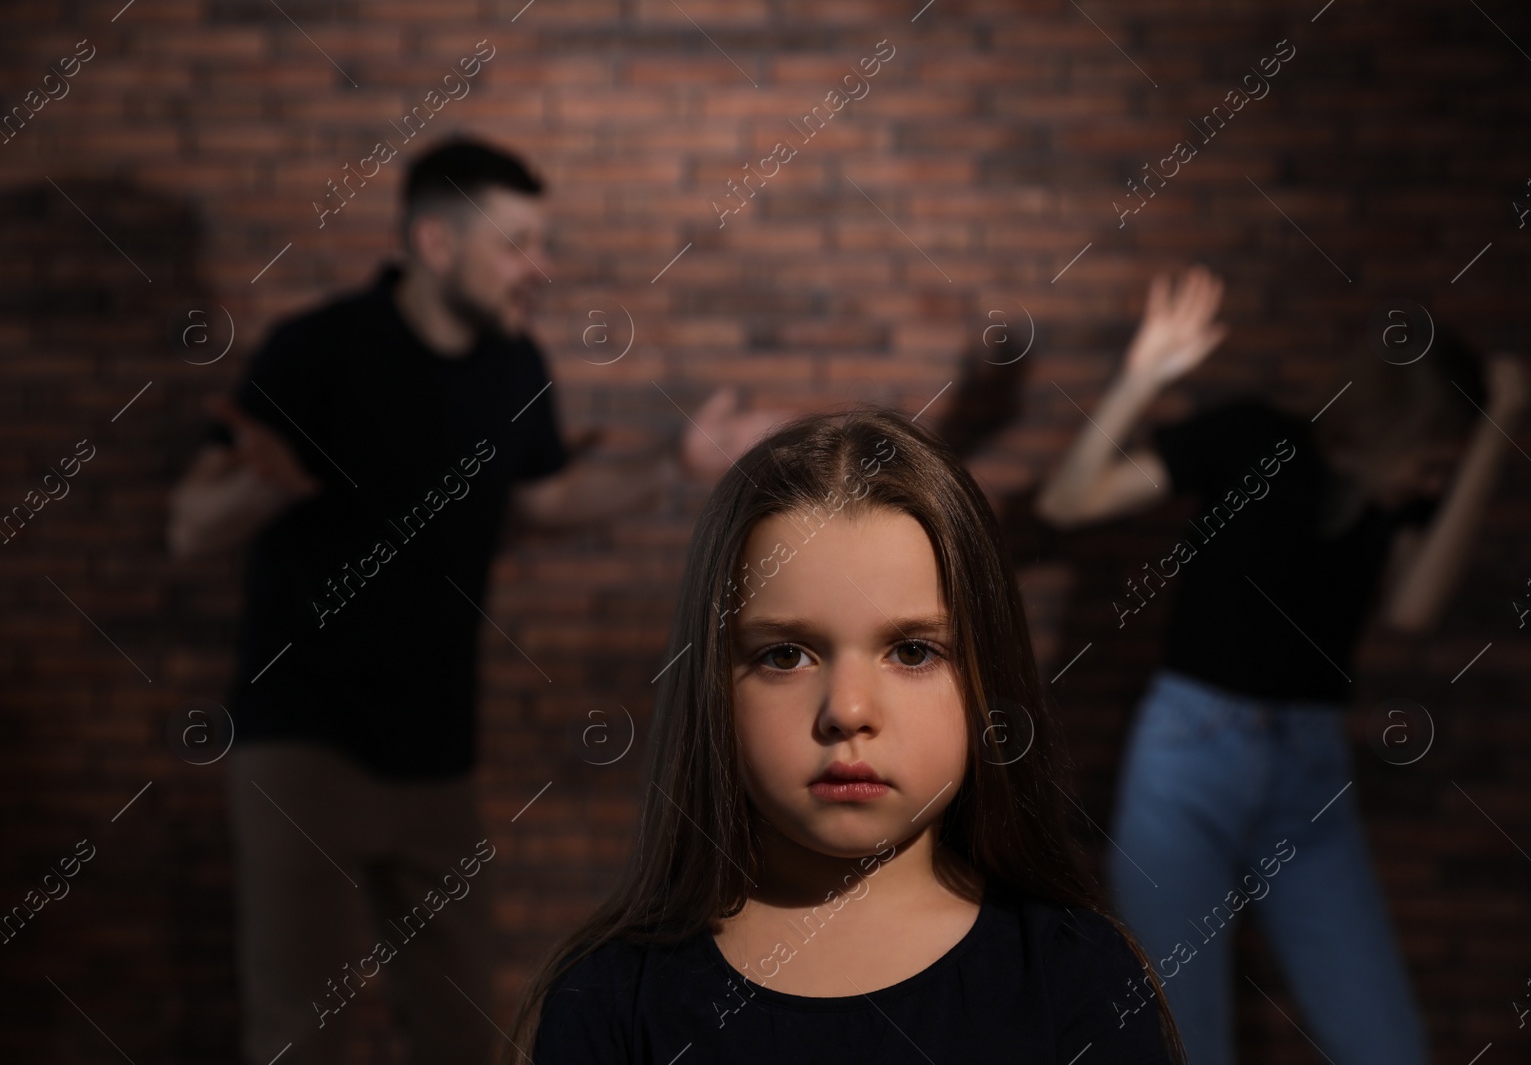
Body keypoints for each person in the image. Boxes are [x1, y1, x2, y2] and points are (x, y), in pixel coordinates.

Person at [165, 137, 784, 1065]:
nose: (539, 266)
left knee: (465, 1032)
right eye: (517, 243)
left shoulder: (514, 366)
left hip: (437, 757)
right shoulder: (317, 350)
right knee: (299, 1031)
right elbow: (189, 526)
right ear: (437, 243)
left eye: (544, 242)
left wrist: (675, 468)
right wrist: (262, 485)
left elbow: (534, 505)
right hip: (301, 747)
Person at [512, 408, 1186, 1064]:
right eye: (784, 654)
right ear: (713, 686)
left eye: (914, 651)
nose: (848, 709)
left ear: (989, 676)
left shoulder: (1078, 978)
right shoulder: (609, 1001)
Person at [1033, 265, 1531, 1065]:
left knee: (1388, 1048)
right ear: (1392, 426)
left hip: (1309, 774)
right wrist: (1142, 376)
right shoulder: (1249, 437)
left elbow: (1414, 606)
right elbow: (1066, 502)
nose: (1433, 485)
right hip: (1188, 762)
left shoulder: (1387, 505)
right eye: (1434, 461)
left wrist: (1497, 428)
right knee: (1182, 1042)